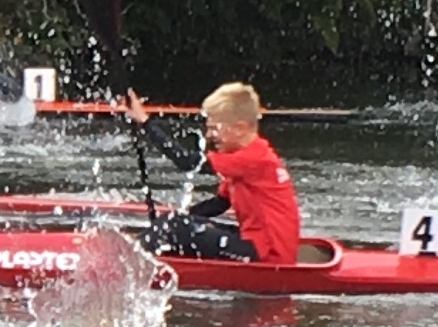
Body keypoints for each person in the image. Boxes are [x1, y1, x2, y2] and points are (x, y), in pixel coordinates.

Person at [118, 81, 302, 264]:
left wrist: (145, 122)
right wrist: (182, 219)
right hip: (257, 244)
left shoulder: (254, 158)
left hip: (268, 255)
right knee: (175, 222)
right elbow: (219, 204)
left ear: (240, 128)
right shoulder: (244, 158)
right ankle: (136, 251)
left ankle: (126, 261)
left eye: (214, 128)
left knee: (172, 225)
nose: (208, 135)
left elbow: (188, 162)